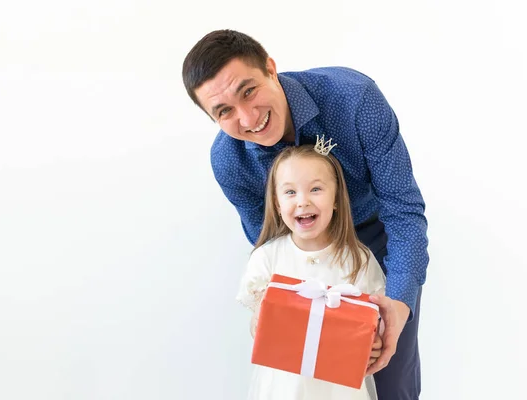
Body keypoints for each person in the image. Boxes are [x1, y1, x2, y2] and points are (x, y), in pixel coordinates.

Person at [182, 29, 428, 400]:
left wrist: (399, 304)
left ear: (270, 68)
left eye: (248, 91)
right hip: (300, 256)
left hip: (379, 239)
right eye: (224, 111)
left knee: (386, 370)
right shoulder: (229, 162)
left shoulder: (355, 99)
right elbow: (267, 238)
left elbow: (403, 209)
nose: (248, 118)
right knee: (305, 378)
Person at [236, 142, 385, 400]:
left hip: (340, 388)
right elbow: (257, 324)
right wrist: (259, 321)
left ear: (336, 199)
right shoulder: (267, 258)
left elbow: (375, 319)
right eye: (290, 192)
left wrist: (375, 343)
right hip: (285, 387)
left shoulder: (358, 259)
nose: (303, 201)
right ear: (277, 203)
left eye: (315, 189)